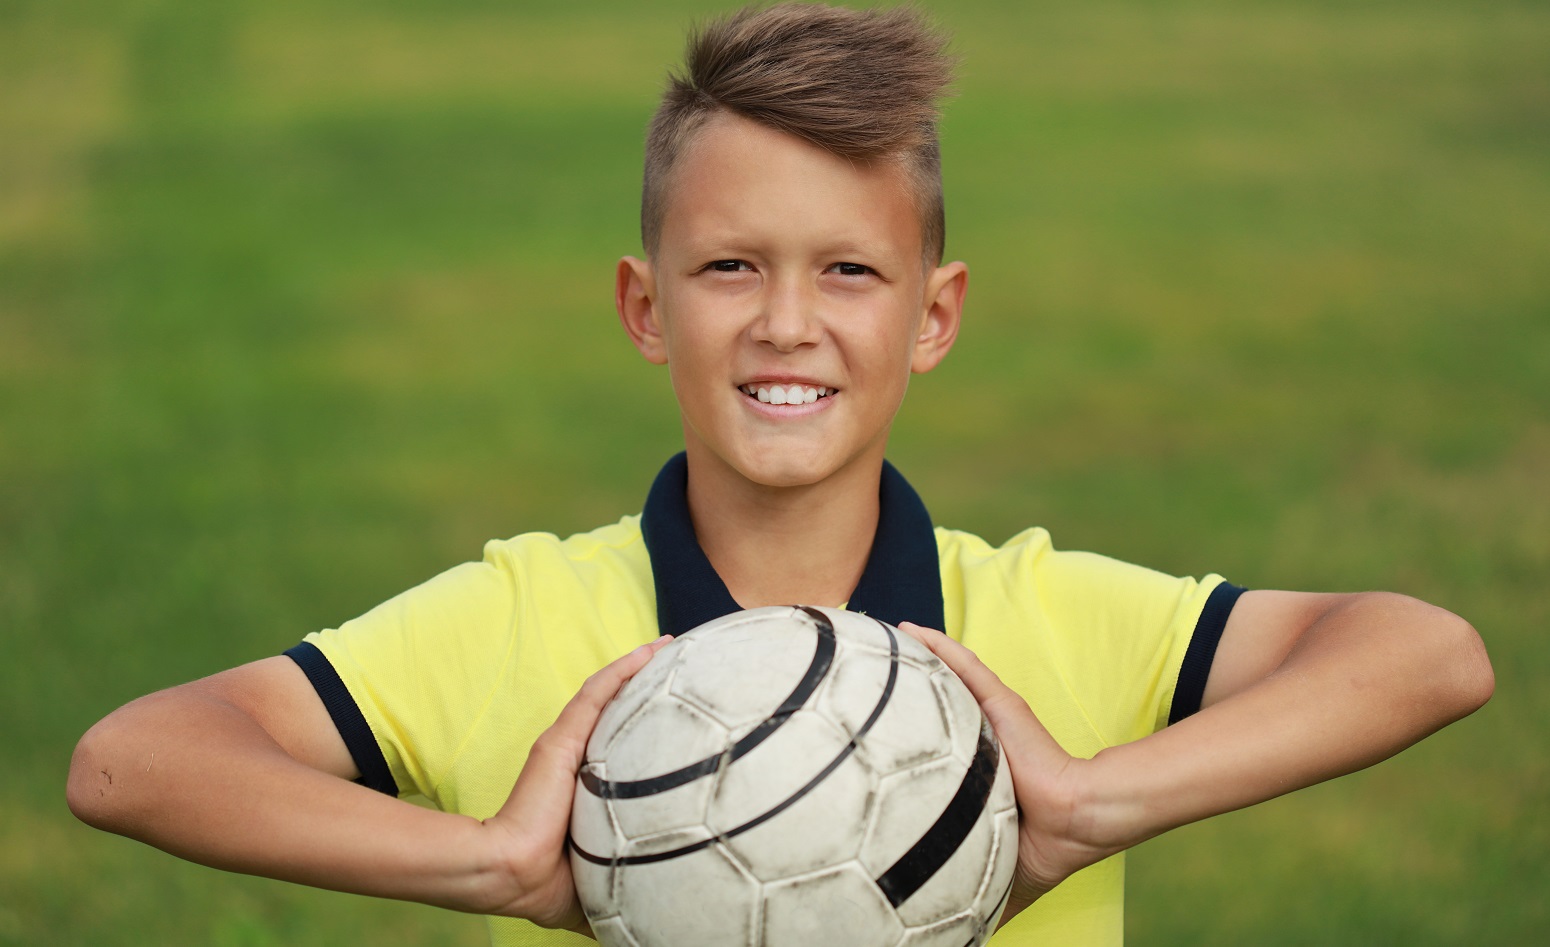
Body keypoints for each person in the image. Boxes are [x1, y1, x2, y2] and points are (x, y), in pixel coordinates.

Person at [66, 4, 1494, 945]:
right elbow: (134, 761)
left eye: (851, 272)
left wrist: (1088, 804)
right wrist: (496, 865)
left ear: (933, 316)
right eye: (729, 266)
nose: (786, 323)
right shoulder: (521, 622)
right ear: (645, 306)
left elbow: (1425, 654)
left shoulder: (1042, 620)